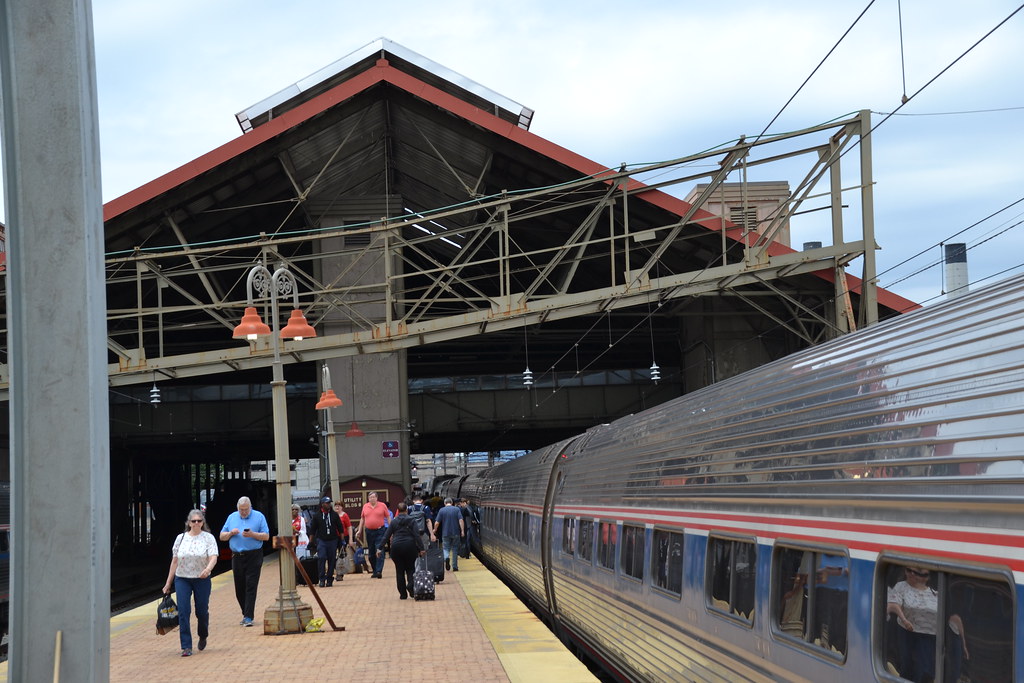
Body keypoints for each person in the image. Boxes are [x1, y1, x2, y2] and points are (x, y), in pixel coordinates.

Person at [887, 566, 969, 683]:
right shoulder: (901, 586)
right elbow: (893, 606)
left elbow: (952, 617)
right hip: (909, 633)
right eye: (908, 570)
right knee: (912, 668)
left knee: (926, 670)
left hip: (932, 636)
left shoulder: (936, 593)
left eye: (918, 572)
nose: (912, 574)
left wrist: (963, 644)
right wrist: (904, 620)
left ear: (927, 577)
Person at [162, 509, 218, 656]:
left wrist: (208, 569)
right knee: (183, 611)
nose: (196, 523)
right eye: (193, 521)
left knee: (201, 611)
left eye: (199, 521)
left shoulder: (208, 538)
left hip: (202, 579)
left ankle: (203, 634)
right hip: (182, 578)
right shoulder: (180, 538)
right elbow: (175, 561)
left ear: (203, 522)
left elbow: (213, 556)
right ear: (188, 523)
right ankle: (186, 646)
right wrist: (168, 583)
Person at [219, 496, 270, 627]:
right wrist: (230, 533)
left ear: (250, 507)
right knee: (239, 587)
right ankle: (245, 612)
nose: (243, 512)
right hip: (237, 556)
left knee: (251, 585)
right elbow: (221, 536)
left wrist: (253, 534)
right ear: (237, 508)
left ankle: (248, 616)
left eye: (246, 509)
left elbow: (266, 536)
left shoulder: (259, 517)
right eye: (241, 510)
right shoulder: (232, 517)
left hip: (254, 555)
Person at [381, 502, 426, 599]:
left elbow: (386, 536)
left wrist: (379, 548)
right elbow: (417, 536)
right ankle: (410, 585)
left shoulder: (393, 521)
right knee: (410, 569)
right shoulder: (412, 520)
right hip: (410, 546)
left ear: (397, 511)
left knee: (399, 570)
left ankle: (403, 594)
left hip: (396, 547)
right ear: (406, 510)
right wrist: (422, 548)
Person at [307, 496, 344, 587]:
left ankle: (329, 578)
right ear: (322, 504)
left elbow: (340, 528)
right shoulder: (317, 516)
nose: (329, 505)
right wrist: (311, 542)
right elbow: (313, 529)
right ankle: (322, 578)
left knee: (332, 559)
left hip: (333, 540)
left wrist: (342, 541)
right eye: (327, 503)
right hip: (321, 540)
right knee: (322, 558)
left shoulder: (334, 515)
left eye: (329, 503)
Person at [355, 492, 390, 579]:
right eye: (370, 497)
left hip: (380, 530)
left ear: (377, 498)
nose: (372, 499)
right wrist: (359, 530)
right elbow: (362, 518)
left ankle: (379, 571)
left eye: (373, 497)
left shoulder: (382, 506)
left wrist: (391, 529)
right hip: (369, 531)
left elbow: (388, 517)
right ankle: (374, 570)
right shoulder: (365, 506)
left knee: (379, 550)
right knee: (371, 553)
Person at [433, 497, 465, 572]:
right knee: (455, 549)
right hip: (456, 532)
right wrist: (462, 531)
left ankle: (446, 558)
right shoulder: (457, 509)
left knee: (446, 548)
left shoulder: (442, 510)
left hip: (445, 533)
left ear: (444, 503)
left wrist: (435, 529)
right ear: (452, 503)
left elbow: (437, 522)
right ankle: (455, 566)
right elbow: (461, 520)